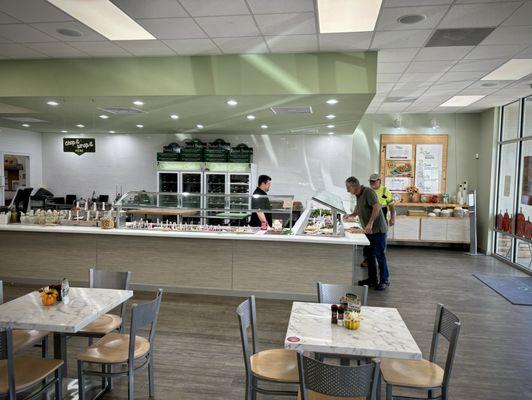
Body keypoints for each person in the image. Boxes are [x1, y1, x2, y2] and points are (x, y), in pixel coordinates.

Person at [345, 176, 390, 291]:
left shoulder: (368, 192)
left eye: (348, 187)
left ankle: (385, 281)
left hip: (378, 230)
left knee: (380, 255)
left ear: (354, 186)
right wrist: (351, 215)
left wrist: (370, 223)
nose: (347, 190)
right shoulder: (358, 195)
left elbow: (376, 207)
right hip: (369, 231)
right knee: (369, 255)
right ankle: (372, 280)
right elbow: (359, 208)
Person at [360, 173, 395, 268]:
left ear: (379, 181)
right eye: (371, 181)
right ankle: (367, 260)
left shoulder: (385, 191)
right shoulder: (367, 191)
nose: (372, 183)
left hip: (382, 219)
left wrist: (392, 218)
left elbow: (391, 207)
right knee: (368, 242)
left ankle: (380, 262)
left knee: (380, 243)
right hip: (369, 219)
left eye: (374, 181)